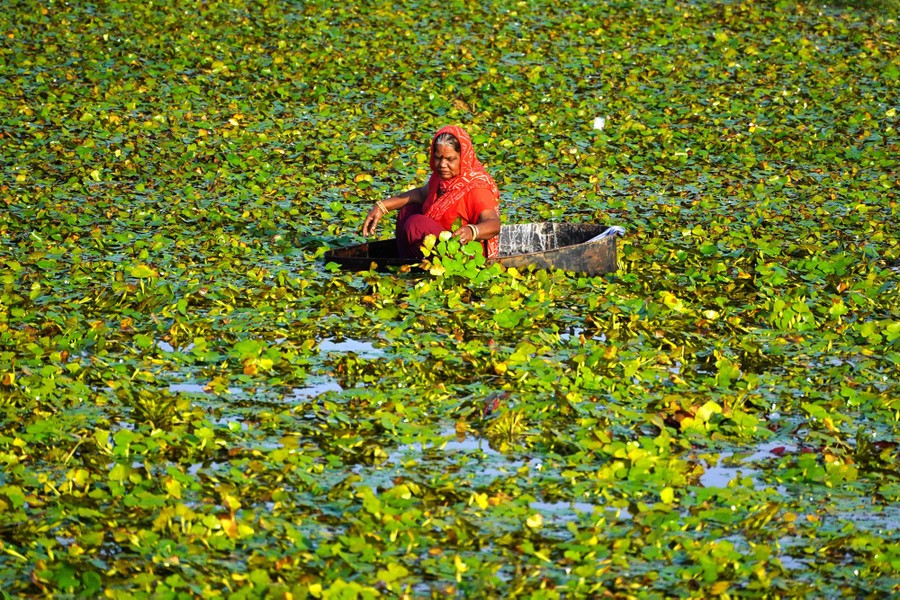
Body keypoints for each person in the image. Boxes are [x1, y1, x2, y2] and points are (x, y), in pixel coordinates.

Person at [361, 125, 501, 259]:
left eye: (450, 159)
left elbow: (494, 224)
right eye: (438, 158)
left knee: (415, 224)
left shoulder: (477, 187)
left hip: (463, 253)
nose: (442, 165)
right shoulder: (439, 178)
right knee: (407, 211)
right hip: (439, 244)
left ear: (463, 158)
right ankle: (408, 264)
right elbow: (421, 194)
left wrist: (472, 231)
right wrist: (382, 206)